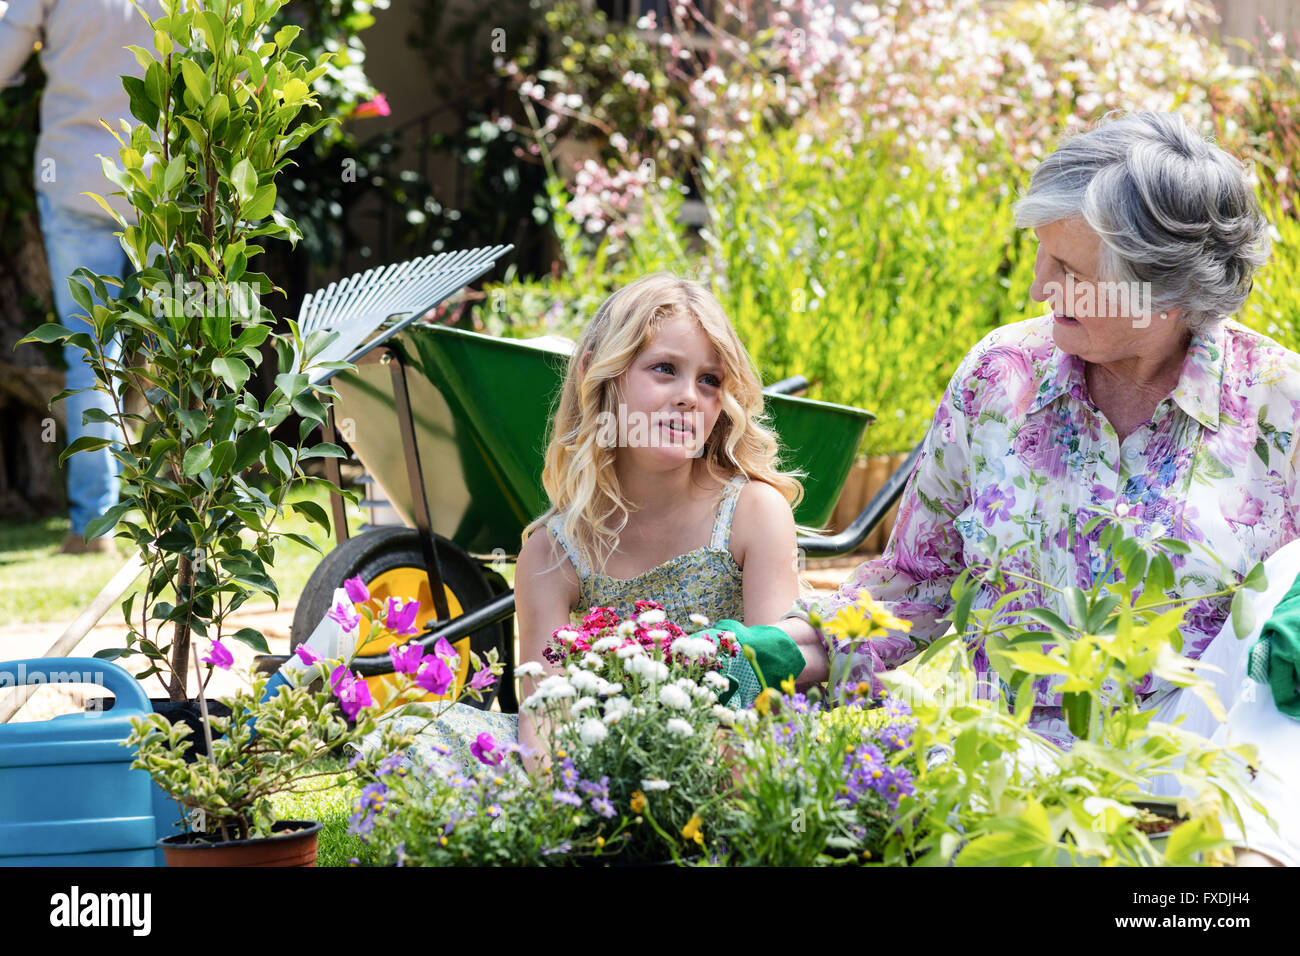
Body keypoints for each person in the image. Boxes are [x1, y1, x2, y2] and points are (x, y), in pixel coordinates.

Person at [778, 112, 1299, 862]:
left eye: (1072, 273)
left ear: (1166, 290)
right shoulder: (1000, 376)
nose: (1037, 287)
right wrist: (787, 647)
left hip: (1203, 826)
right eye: (1041, 258)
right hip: (1001, 803)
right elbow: (917, 584)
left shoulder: (1283, 408)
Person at [370, 273, 806, 767]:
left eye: (710, 380)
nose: (689, 395)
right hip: (594, 758)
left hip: (722, 744)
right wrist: (565, 792)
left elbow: (775, 682)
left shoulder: (751, 513)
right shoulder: (555, 550)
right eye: (665, 369)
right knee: (406, 739)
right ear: (595, 375)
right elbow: (545, 714)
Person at [0, 0, 152, 554]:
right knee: (191, 345)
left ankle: (95, 526)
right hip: (164, 181)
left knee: (91, 352)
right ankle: (199, 514)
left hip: (73, 179)